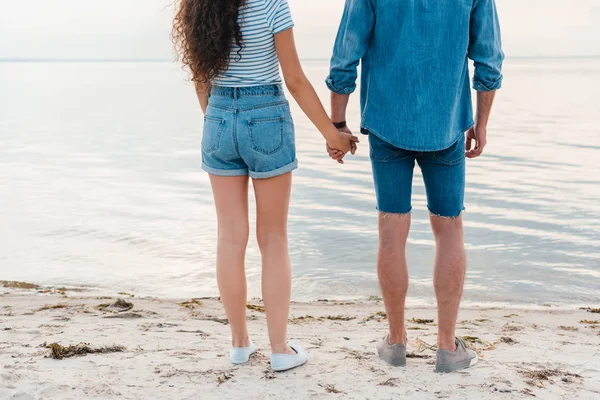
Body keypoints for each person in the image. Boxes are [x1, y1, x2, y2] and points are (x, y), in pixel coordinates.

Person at [172, 0, 358, 372]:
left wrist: (220, 122)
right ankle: (279, 350)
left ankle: (239, 344)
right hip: (266, 116)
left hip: (219, 117)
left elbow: (200, 78)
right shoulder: (272, 5)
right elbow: (295, 79)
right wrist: (332, 133)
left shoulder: (197, 6)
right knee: (273, 238)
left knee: (229, 237)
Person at [326, 0, 504, 372]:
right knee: (450, 227)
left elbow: (346, 54)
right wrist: (482, 122)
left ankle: (395, 343)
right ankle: (446, 346)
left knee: (391, 228)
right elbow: (488, 59)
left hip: (387, 122)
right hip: (447, 125)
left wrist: (337, 122)